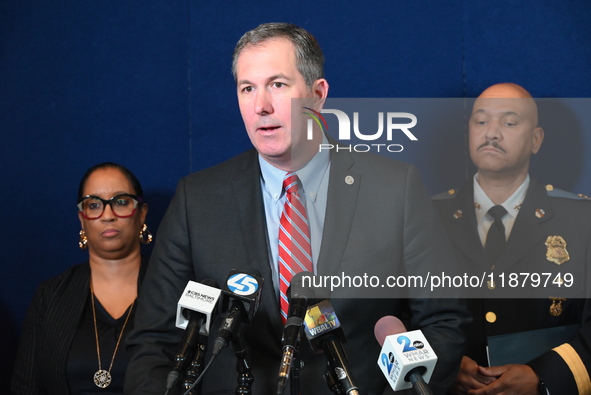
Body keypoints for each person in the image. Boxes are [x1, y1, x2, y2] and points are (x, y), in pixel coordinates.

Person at [125, 22, 469, 394]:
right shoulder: (198, 199)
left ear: (318, 94)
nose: (261, 106)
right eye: (247, 88)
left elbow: (444, 323)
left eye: (277, 84)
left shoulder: (395, 188)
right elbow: (154, 342)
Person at [433, 83, 591, 394]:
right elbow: (398, 312)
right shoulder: (425, 215)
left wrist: (544, 376)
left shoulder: (582, 219)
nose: (491, 133)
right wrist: (442, 361)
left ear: (536, 140)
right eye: (480, 121)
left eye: (509, 122)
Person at [11, 162, 151, 394]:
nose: (108, 215)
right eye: (94, 205)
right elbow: (25, 387)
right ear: (82, 218)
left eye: (121, 202)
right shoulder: (51, 295)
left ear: (142, 212)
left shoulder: (172, 291)